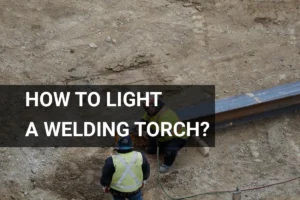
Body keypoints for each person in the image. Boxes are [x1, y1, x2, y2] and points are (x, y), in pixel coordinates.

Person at [136, 96, 188, 173]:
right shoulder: (151, 111)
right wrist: (139, 126)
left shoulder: (165, 116)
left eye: (147, 109)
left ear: (154, 106)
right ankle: (163, 149)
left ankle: (167, 164)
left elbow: (159, 134)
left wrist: (145, 134)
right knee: (150, 150)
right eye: (145, 109)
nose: (146, 111)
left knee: (170, 150)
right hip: (165, 136)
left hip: (177, 137)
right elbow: (144, 120)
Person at [100, 135, 150, 200]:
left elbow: (106, 177)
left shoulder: (111, 160)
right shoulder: (141, 156)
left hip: (117, 191)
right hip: (135, 190)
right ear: (131, 146)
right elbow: (146, 171)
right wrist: (144, 181)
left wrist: (104, 186)